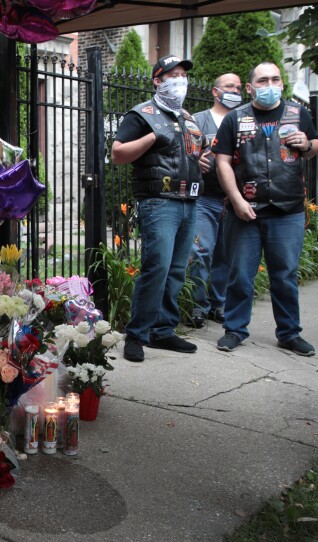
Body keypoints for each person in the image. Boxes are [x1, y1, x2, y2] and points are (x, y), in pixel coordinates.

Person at [213, 62, 318, 356]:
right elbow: (222, 161)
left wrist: (307, 143)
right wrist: (236, 200)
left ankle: (289, 333)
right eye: (262, 80)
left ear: (282, 83)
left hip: (288, 209)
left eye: (274, 79)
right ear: (250, 87)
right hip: (245, 210)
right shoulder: (235, 118)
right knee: (241, 275)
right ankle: (234, 330)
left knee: (284, 275)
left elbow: (314, 146)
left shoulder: (299, 114)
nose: (269, 85)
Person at [111, 55, 205, 363]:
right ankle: (137, 335)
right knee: (157, 268)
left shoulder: (187, 118)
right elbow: (118, 153)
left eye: (183, 75)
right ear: (158, 81)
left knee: (177, 270)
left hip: (189, 203)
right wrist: (153, 136)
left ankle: (163, 332)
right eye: (172, 75)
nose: (180, 80)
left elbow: (192, 155)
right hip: (159, 203)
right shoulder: (142, 115)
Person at [185, 73, 243, 328]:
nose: (235, 91)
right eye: (229, 86)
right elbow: (182, 153)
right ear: (215, 91)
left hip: (235, 199)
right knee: (201, 251)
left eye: (239, 87)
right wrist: (195, 160)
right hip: (205, 197)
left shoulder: (244, 119)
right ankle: (197, 305)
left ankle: (217, 303)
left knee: (226, 254)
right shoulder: (198, 120)